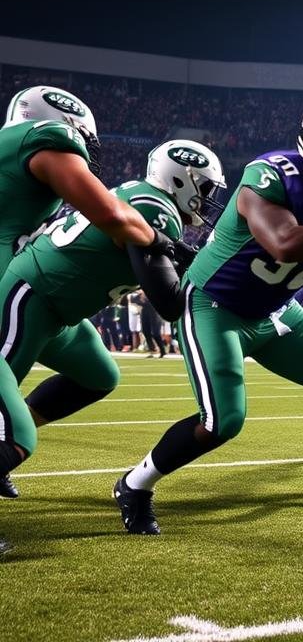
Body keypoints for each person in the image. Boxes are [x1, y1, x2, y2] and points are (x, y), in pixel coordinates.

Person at [113, 96, 303, 535]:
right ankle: (135, 484)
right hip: (215, 306)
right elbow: (284, 242)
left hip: (277, 311)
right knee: (222, 422)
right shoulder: (271, 175)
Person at [0, 140, 221, 489]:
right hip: (30, 296)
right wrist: (208, 271)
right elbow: (169, 302)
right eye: (206, 187)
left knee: (98, 375)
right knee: (13, 430)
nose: (208, 198)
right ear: (182, 178)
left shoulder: (142, 196)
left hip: (59, 312)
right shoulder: (155, 208)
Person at [0, 86, 162, 553]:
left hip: (34, 295)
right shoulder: (43, 136)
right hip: (7, 296)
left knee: (96, 374)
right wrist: (160, 244)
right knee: (14, 434)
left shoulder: (15, 151)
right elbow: (113, 214)